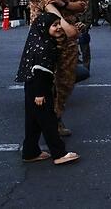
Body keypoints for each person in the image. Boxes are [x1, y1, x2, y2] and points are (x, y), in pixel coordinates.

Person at [27, 0, 87, 137]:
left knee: (66, 80)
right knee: (42, 82)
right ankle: (43, 122)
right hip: (43, 39)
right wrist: (64, 20)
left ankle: (56, 116)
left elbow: (82, 5)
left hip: (67, 40)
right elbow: (46, 1)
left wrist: (64, 3)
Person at [16, 12, 80, 165]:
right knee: (48, 121)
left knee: (33, 121)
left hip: (31, 86)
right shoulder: (45, 47)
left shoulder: (38, 40)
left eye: (59, 24)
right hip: (40, 88)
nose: (58, 27)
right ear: (44, 27)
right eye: (54, 25)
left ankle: (30, 152)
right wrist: (40, 93)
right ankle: (59, 153)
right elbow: (40, 71)